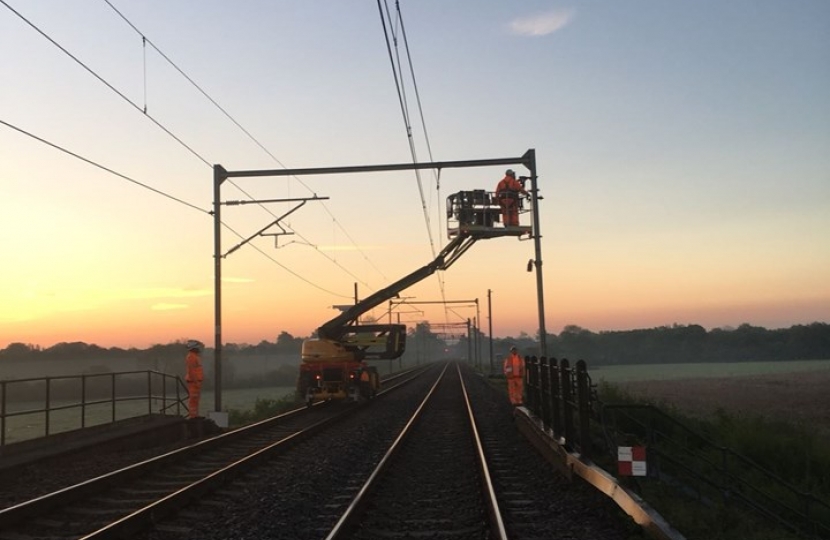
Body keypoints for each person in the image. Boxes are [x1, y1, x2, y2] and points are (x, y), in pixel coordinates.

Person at [185, 340, 204, 419]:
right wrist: (196, 382)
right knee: (193, 400)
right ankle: (193, 417)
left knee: (195, 400)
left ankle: (195, 416)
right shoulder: (191, 357)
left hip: (195, 382)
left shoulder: (194, 356)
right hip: (194, 382)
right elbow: (192, 371)